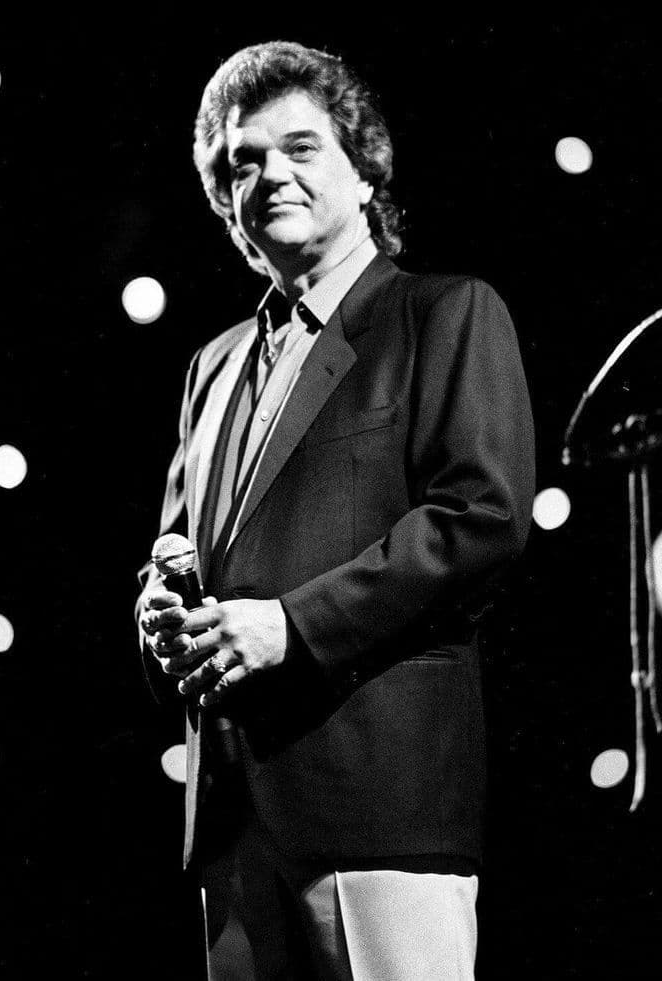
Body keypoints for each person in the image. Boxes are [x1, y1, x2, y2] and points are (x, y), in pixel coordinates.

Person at [136, 40, 535, 980]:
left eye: (301, 146)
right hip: (234, 823)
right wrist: (158, 613)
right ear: (227, 206)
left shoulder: (444, 313)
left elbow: (481, 518)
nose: (270, 173)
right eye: (242, 162)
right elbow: (180, 549)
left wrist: (290, 626)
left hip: (379, 804)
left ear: (364, 173)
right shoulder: (210, 366)